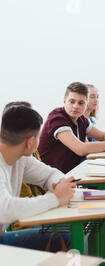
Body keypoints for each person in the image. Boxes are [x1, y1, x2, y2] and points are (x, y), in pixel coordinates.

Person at [0, 105, 75, 251]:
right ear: (30, 142)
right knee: (65, 238)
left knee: (65, 235)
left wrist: (60, 184)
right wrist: (56, 198)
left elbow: (49, 174)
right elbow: (5, 209)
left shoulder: (21, 157)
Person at [38, 82, 105, 173]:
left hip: (71, 175)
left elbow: (102, 136)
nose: (76, 106)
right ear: (64, 101)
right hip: (50, 180)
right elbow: (81, 149)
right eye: (72, 101)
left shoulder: (81, 119)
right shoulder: (57, 118)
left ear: (86, 104)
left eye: (81, 103)